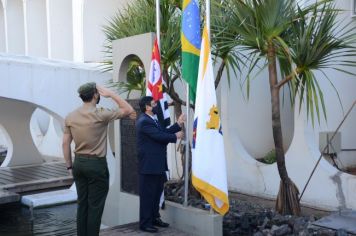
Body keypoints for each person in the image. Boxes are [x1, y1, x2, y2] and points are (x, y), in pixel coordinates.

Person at [62, 82, 136, 236]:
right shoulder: (101, 114)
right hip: (96, 165)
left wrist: (69, 167)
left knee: (82, 205)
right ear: (95, 95)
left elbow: (65, 143)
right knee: (95, 207)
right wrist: (111, 94)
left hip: (78, 164)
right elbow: (128, 109)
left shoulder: (70, 116)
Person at [136, 96, 185, 233]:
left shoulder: (152, 119)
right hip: (149, 166)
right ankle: (145, 223)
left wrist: (177, 125)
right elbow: (159, 137)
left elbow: (162, 132)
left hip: (157, 164)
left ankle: (154, 218)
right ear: (147, 107)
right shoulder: (144, 121)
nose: (157, 105)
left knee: (157, 193)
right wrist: (176, 136)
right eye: (154, 103)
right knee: (147, 196)